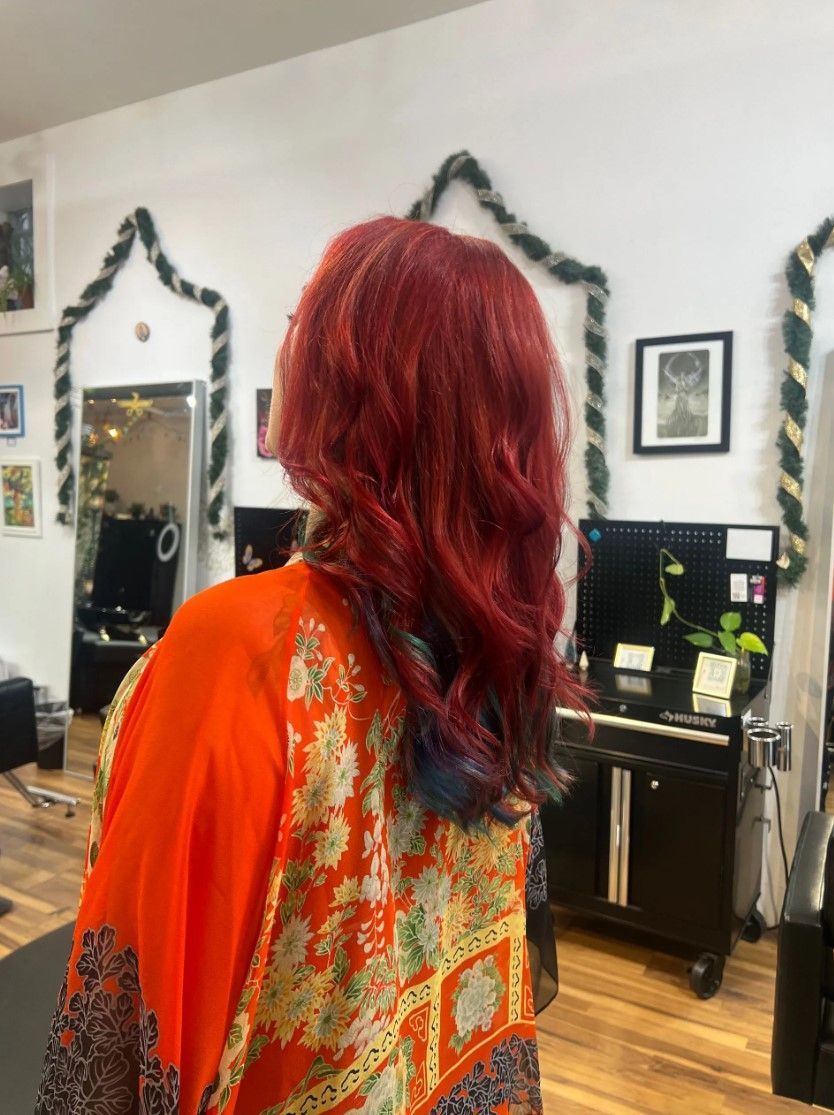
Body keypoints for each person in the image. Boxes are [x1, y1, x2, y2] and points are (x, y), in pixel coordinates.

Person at [37, 216, 585, 1114]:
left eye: (299, 324)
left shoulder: (243, 651)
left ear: (351, 387)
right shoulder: (500, 647)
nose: (282, 352)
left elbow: (125, 1043)